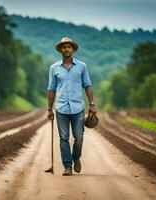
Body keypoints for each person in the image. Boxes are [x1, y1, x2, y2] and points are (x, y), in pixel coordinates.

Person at [47, 37, 97, 176]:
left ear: (73, 49)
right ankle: (67, 166)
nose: (66, 49)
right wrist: (49, 109)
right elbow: (51, 89)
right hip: (61, 108)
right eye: (64, 47)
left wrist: (92, 104)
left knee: (79, 137)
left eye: (69, 47)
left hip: (78, 108)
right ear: (60, 50)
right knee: (63, 138)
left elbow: (87, 85)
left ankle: (76, 157)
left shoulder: (82, 66)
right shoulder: (54, 68)